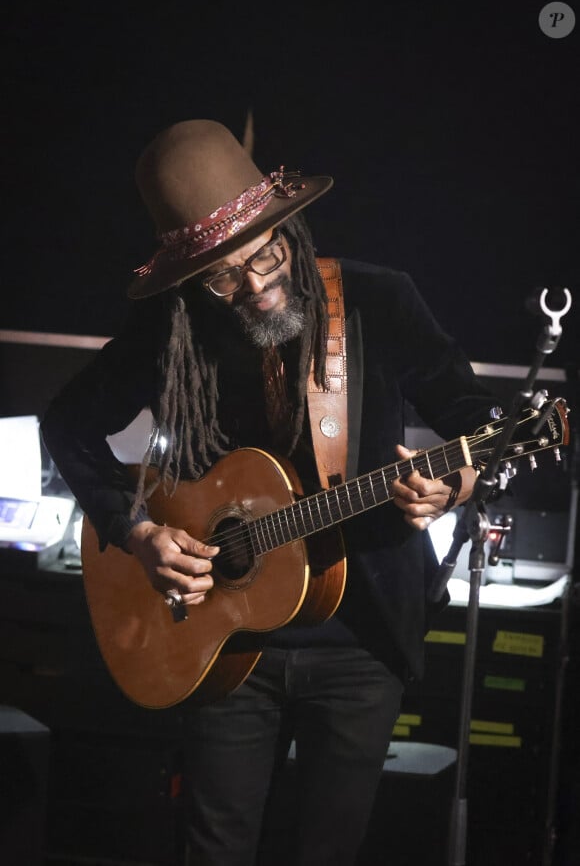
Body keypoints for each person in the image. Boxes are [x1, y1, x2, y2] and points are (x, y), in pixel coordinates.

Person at [41, 119, 502, 866]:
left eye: (267, 255)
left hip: (361, 644)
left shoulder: (379, 302)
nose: (256, 285)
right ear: (191, 280)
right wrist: (137, 532)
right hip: (222, 640)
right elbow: (67, 425)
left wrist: (454, 483)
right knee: (212, 847)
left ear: (289, 226)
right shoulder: (174, 325)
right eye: (225, 276)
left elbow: (477, 421)